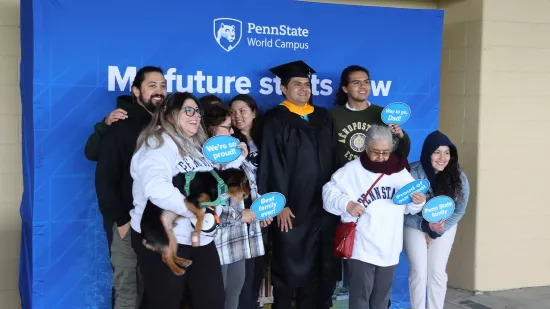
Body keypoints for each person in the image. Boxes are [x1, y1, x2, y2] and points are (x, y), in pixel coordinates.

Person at [129, 92, 226, 309]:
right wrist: (195, 212)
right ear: (170, 115)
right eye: (188, 110)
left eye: (197, 112)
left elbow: (210, 185)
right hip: (163, 236)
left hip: (200, 240)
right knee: (164, 302)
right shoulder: (158, 142)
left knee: (212, 300)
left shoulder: (196, 145)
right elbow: (156, 188)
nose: (196, 116)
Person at [258, 60, 339, 309]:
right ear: (284, 89)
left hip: (324, 208)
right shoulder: (275, 119)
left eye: (307, 84)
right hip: (293, 208)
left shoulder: (323, 117)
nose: (304, 89)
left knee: (321, 267)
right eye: (297, 84)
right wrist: (279, 203)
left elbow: (336, 159)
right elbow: (271, 163)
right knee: (289, 265)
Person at [322, 124, 426, 309]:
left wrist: (418, 201)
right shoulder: (352, 170)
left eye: (385, 152)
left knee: (381, 299)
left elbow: (410, 208)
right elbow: (328, 193)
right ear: (366, 148)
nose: (381, 157)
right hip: (362, 245)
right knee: (360, 298)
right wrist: (347, 204)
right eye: (375, 152)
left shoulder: (400, 171)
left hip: (389, 245)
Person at [94, 66, 166, 309]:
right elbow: (105, 179)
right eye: (152, 85)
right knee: (128, 291)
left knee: (154, 289)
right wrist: (121, 220)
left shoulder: (167, 128)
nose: (159, 91)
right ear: (136, 91)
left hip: (157, 223)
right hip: (126, 222)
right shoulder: (120, 126)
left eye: (163, 86)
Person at [203, 103, 271, 309]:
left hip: (240, 239)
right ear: (211, 130)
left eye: (232, 127)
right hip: (217, 240)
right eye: (227, 127)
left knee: (235, 290)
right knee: (216, 295)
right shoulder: (204, 161)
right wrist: (239, 215)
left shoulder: (239, 156)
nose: (233, 132)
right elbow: (208, 201)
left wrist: (262, 210)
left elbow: (252, 187)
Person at [403, 130, 470, 309]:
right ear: (427, 153)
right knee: (419, 272)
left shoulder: (458, 177)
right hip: (415, 226)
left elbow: (460, 209)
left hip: (444, 227)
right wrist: (425, 225)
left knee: (437, 273)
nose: (442, 158)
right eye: (437, 152)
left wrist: (436, 231)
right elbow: (402, 210)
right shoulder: (411, 172)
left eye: (447, 153)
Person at [229, 94, 267, 309]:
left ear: (254, 113)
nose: (237, 116)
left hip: (265, 212)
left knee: (256, 272)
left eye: (243, 110)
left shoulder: (266, 137)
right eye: (233, 112)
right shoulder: (228, 142)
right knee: (241, 276)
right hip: (241, 214)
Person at [330, 65, 411, 167]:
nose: (363, 86)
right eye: (356, 82)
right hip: (345, 178)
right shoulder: (332, 116)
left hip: (376, 176)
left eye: (366, 82)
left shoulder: (384, 114)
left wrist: (401, 136)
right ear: (345, 88)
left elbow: (401, 154)